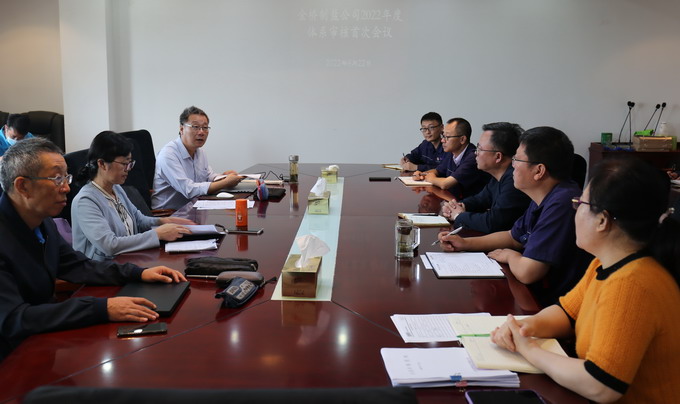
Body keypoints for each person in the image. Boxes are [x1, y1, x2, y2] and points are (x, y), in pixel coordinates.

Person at [491, 157, 680, 403]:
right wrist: (524, 327)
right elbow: (567, 313)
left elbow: (601, 385)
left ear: (602, 220)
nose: (575, 210)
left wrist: (529, 350)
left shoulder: (633, 283)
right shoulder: (604, 263)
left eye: (580, 203)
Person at [0, 138, 187, 362]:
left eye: (66, 177)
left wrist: (138, 273)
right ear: (23, 186)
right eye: (57, 179)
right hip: (12, 358)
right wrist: (100, 308)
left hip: (42, 340)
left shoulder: (43, 222)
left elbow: (79, 266)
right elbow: (14, 318)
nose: (66, 187)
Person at [438, 127, 591, 306]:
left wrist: (511, 256)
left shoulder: (562, 202)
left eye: (517, 159)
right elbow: (513, 236)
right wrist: (464, 243)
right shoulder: (544, 195)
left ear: (539, 171)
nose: (512, 165)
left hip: (555, 305)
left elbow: (528, 272)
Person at [72, 131, 195, 261]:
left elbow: (139, 220)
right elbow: (109, 245)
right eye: (124, 164)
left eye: (130, 163)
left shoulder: (116, 188)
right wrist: (157, 234)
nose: (128, 169)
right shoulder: (85, 201)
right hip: (102, 269)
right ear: (102, 164)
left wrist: (163, 221)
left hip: (129, 261)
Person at [441, 122, 531, 233]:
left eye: (480, 149)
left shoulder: (515, 181)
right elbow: (480, 200)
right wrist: (457, 206)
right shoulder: (498, 176)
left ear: (498, 157)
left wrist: (458, 216)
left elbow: (493, 223)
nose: (475, 153)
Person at [152, 106, 243, 210]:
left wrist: (223, 177)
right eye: (195, 127)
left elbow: (208, 176)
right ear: (182, 129)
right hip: (170, 214)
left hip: (194, 208)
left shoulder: (200, 152)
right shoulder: (168, 155)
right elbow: (189, 190)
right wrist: (225, 182)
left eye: (205, 127)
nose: (201, 132)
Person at [412, 117, 489, 200]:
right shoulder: (451, 153)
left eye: (447, 137)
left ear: (462, 139)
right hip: (453, 200)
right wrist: (422, 174)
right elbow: (438, 171)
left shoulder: (473, 157)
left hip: (472, 204)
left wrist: (431, 178)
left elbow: (445, 184)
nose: (442, 140)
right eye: (443, 136)